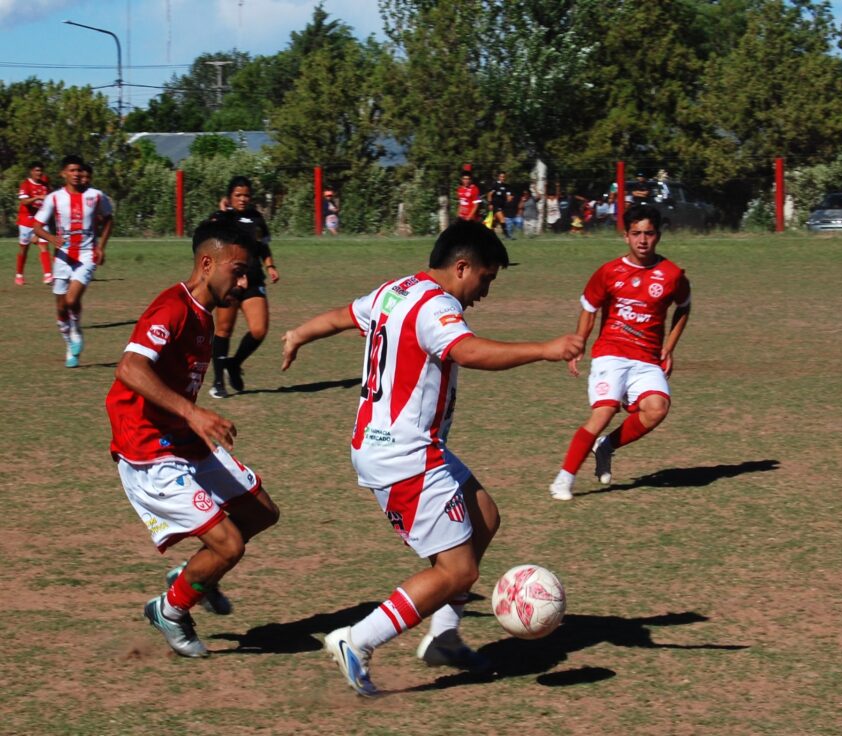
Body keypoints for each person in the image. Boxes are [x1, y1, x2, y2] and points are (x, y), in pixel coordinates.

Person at [281, 220, 583, 696]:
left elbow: (343, 315)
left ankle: (444, 637)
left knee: (484, 517)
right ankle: (357, 640)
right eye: (485, 278)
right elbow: (468, 350)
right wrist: (544, 349)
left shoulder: (397, 290)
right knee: (457, 570)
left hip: (400, 445)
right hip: (404, 455)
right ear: (461, 267)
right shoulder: (436, 306)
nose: (485, 291)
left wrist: (299, 333)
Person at [106, 217, 280, 658]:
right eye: (237, 272)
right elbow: (129, 368)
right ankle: (171, 610)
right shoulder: (172, 308)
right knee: (229, 544)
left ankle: (197, 574)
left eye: (247, 274)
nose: (244, 283)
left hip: (182, 439)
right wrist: (192, 412)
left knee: (261, 513)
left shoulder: (204, 313)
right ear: (207, 264)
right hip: (148, 448)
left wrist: (189, 419)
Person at [549, 203, 691, 501]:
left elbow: (684, 306)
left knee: (657, 409)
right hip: (610, 353)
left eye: (648, 233)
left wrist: (669, 347)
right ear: (626, 236)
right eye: (636, 233)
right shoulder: (609, 272)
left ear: (658, 236)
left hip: (647, 358)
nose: (642, 240)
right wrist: (579, 343)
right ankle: (564, 478)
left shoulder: (671, 274)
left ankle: (606, 446)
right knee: (604, 411)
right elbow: (589, 309)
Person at [33, 155, 113, 368]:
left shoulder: (96, 196)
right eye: (72, 170)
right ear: (63, 173)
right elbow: (37, 226)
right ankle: (69, 343)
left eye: (79, 170)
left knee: (71, 300)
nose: (76, 174)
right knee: (61, 308)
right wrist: (51, 238)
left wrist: (101, 247)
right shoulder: (54, 198)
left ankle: (76, 329)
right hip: (62, 257)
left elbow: (108, 219)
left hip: (86, 255)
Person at [208, 176, 280, 398]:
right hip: (228, 282)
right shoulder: (220, 218)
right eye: (237, 195)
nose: (242, 199)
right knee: (224, 330)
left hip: (254, 280)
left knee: (259, 330)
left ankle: (234, 363)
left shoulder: (256, 218)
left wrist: (270, 266)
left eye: (246, 195)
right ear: (229, 197)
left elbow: (262, 247)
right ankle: (218, 382)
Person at [15, 162, 53, 286]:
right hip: (26, 221)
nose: (39, 173)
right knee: (24, 248)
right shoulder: (25, 184)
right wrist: (37, 197)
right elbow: (24, 202)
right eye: (37, 170)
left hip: (40, 221)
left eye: (41, 170)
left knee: (44, 245)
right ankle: (19, 274)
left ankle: (48, 275)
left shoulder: (45, 184)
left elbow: (50, 199)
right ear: (31, 171)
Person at [487, 171, 515, 238]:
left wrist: (510, 198)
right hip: (495, 205)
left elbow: (509, 197)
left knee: (494, 221)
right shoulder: (495, 185)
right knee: (502, 219)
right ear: (498, 177)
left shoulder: (507, 186)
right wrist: (490, 204)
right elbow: (489, 194)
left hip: (502, 206)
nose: (502, 178)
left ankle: (488, 234)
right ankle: (507, 235)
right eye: (501, 177)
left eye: (504, 177)